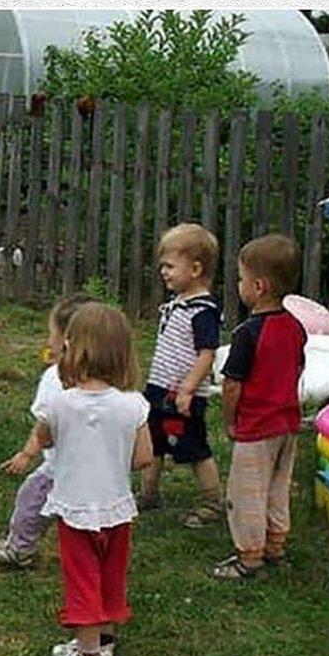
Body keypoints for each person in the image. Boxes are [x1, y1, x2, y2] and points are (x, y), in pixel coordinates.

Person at [3, 302, 153, 656]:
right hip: (118, 510)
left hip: (75, 512)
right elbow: (143, 457)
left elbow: (44, 438)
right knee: (109, 577)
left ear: (73, 348)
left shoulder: (60, 403)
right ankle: (103, 644)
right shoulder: (134, 404)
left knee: (83, 581)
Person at [208, 234, 306, 581]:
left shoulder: (247, 334)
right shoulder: (294, 327)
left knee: (247, 491)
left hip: (256, 427)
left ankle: (249, 558)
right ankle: (275, 545)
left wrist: (230, 421)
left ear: (259, 286)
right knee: (278, 486)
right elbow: (298, 367)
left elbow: (232, 384)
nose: (239, 285)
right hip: (287, 425)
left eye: (241, 279)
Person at [0, 291, 95, 568]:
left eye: (52, 335)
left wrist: (27, 453)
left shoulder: (54, 379)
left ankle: (20, 549)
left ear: (67, 342)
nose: (48, 342)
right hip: (101, 473)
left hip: (60, 470)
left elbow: (44, 427)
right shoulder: (111, 380)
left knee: (31, 502)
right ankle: (97, 558)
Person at [140, 223, 224, 527]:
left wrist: (188, 390)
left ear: (196, 269)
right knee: (152, 441)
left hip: (182, 396)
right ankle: (148, 494)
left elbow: (206, 354)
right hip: (159, 390)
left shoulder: (202, 311)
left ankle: (213, 502)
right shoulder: (177, 305)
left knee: (193, 447)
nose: (163, 271)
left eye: (170, 266)